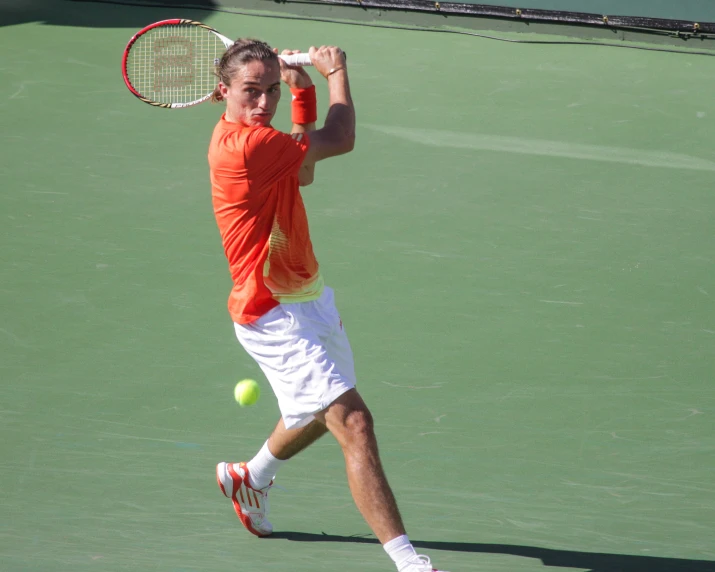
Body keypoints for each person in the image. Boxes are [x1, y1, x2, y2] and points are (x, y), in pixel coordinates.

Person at [207, 38, 448, 572]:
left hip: (307, 295)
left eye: (271, 90)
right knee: (353, 421)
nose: (263, 102)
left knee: (315, 411)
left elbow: (304, 171)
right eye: (251, 91)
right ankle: (409, 562)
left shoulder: (260, 138)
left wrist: (302, 94)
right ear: (222, 91)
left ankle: (252, 477)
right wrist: (336, 72)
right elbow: (341, 139)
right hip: (269, 310)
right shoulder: (244, 148)